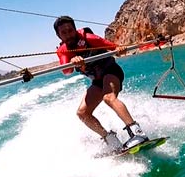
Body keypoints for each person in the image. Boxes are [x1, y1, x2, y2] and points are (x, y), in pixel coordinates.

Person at [53, 15, 149, 151]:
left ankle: (137, 133)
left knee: (108, 97)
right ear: (59, 36)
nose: (68, 35)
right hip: (97, 81)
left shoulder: (89, 39)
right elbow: (66, 71)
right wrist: (72, 62)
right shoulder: (63, 51)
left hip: (111, 71)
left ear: (75, 30)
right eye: (64, 32)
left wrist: (119, 49)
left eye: (70, 30)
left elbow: (114, 48)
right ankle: (111, 140)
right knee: (82, 113)